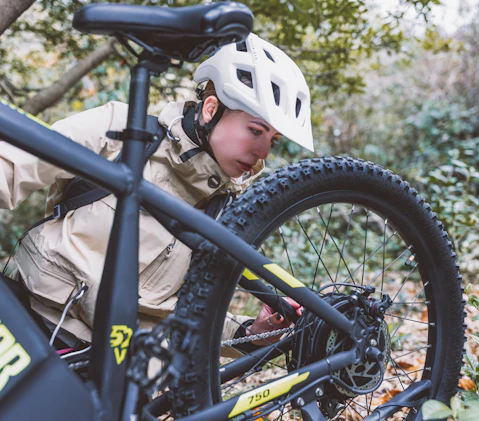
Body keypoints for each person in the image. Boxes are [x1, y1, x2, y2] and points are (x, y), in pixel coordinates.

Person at [0, 34, 312, 355]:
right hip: (31, 323)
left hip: (121, 373)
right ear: (210, 109)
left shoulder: (225, 209)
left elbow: (187, 316)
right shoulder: (121, 131)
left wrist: (252, 332)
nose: (262, 153)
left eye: (272, 140)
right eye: (256, 130)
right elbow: (13, 167)